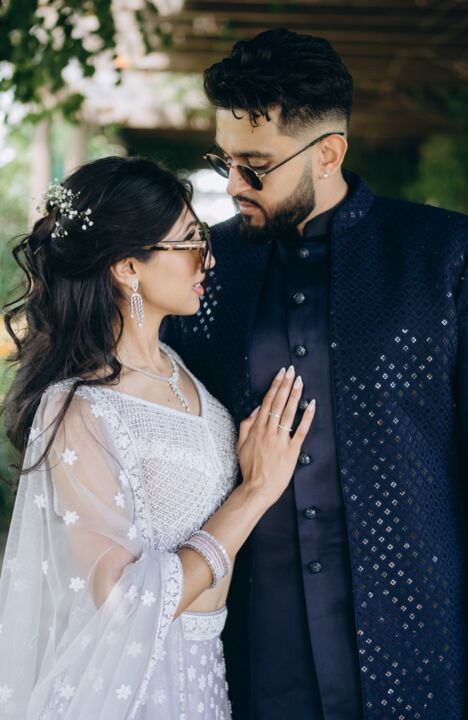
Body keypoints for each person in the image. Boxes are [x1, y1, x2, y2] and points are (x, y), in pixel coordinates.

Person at [161, 28, 468, 720]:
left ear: (329, 153)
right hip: (250, 659)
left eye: (255, 166)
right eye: (225, 162)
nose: (233, 185)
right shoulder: (202, 270)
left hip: (421, 653)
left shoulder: (449, 257)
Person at [0, 155, 315, 719]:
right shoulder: (78, 408)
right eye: (190, 242)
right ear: (128, 267)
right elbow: (122, 602)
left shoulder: (177, 366)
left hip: (204, 675)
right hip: (138, 688)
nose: (208, 258)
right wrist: (254, 493)